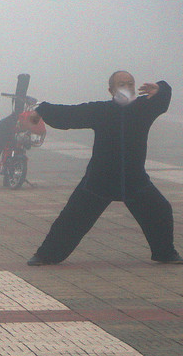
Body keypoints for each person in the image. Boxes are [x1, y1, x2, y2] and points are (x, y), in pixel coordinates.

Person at [26, 72, 181, 265]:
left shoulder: (144, 108)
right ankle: (45, 256)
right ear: (111, 90)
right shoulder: (101, 110)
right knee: (72, 218)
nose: (126, 86)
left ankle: (165, 254)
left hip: (134, 179)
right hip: (100, 179)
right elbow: (70, 114)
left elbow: (163, 98)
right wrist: (42, 109)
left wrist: (161, 88)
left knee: (160, 210)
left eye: (130, 83)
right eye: (121, 84)